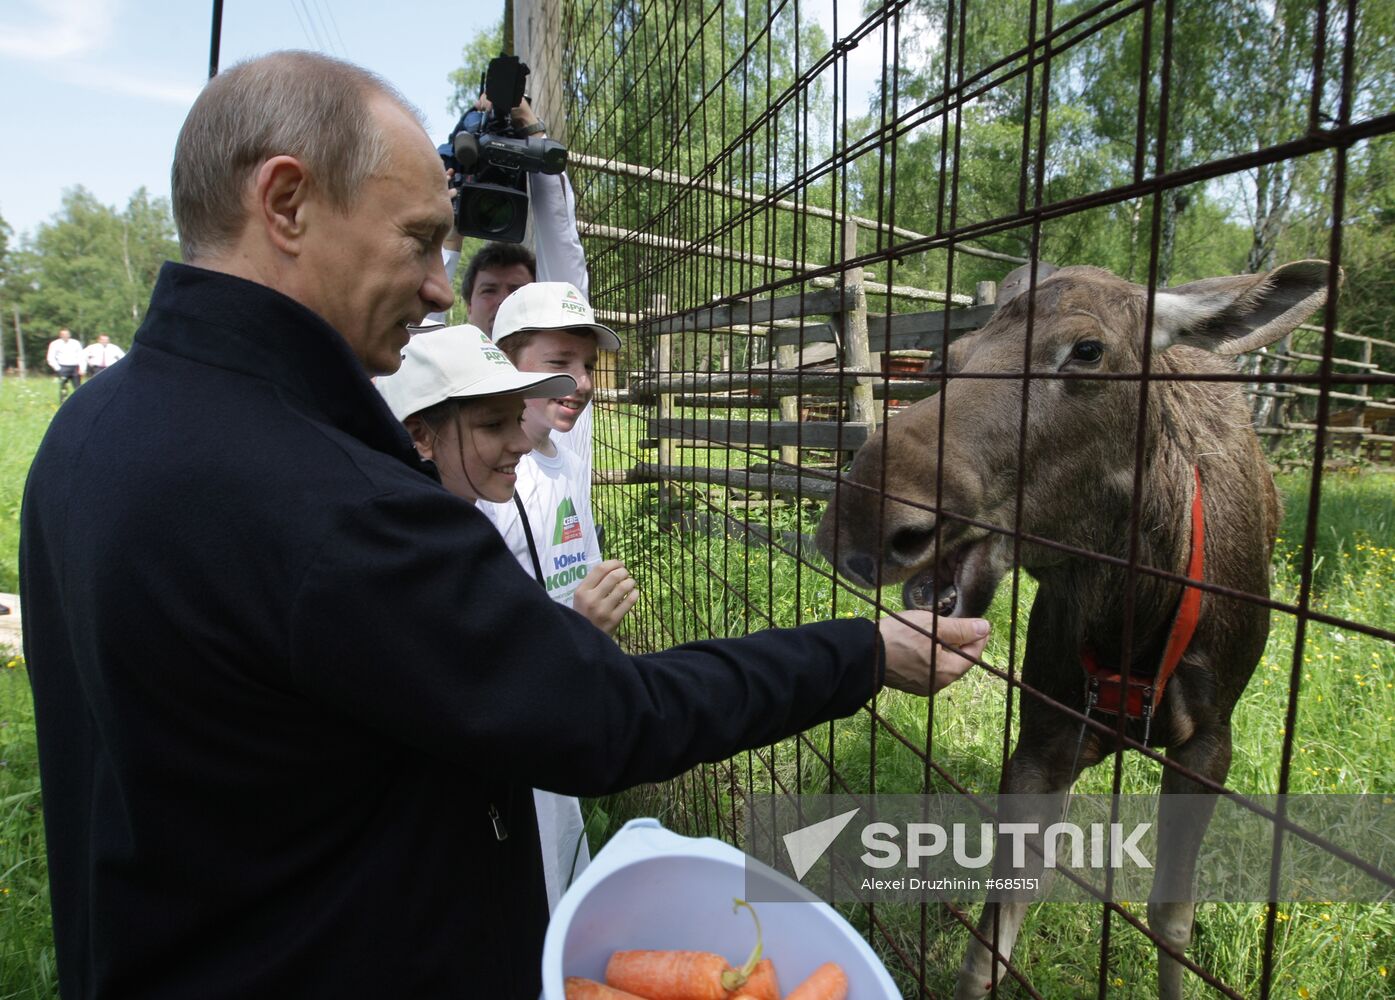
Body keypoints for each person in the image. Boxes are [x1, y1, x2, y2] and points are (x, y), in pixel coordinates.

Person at [20, 51, 990, 998]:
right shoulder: (333, 505)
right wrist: (865, 652)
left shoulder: (84, 436)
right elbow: (614, 717)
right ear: (286, 203)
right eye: (418, 240)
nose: (444, 287)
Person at [45, 327, 85, 398]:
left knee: (78, 388)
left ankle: (80, 402)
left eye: (67, 334)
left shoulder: (75, 343)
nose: (65, 336)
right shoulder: (55, 344)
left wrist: (82, 368)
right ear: (60, 335)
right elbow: (50, 357)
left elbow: (81, 356)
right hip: (63, 367)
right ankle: (63, 403)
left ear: (69, 335)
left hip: (75, 367)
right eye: (63, 334)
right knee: (64, 388)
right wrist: (58, 368)